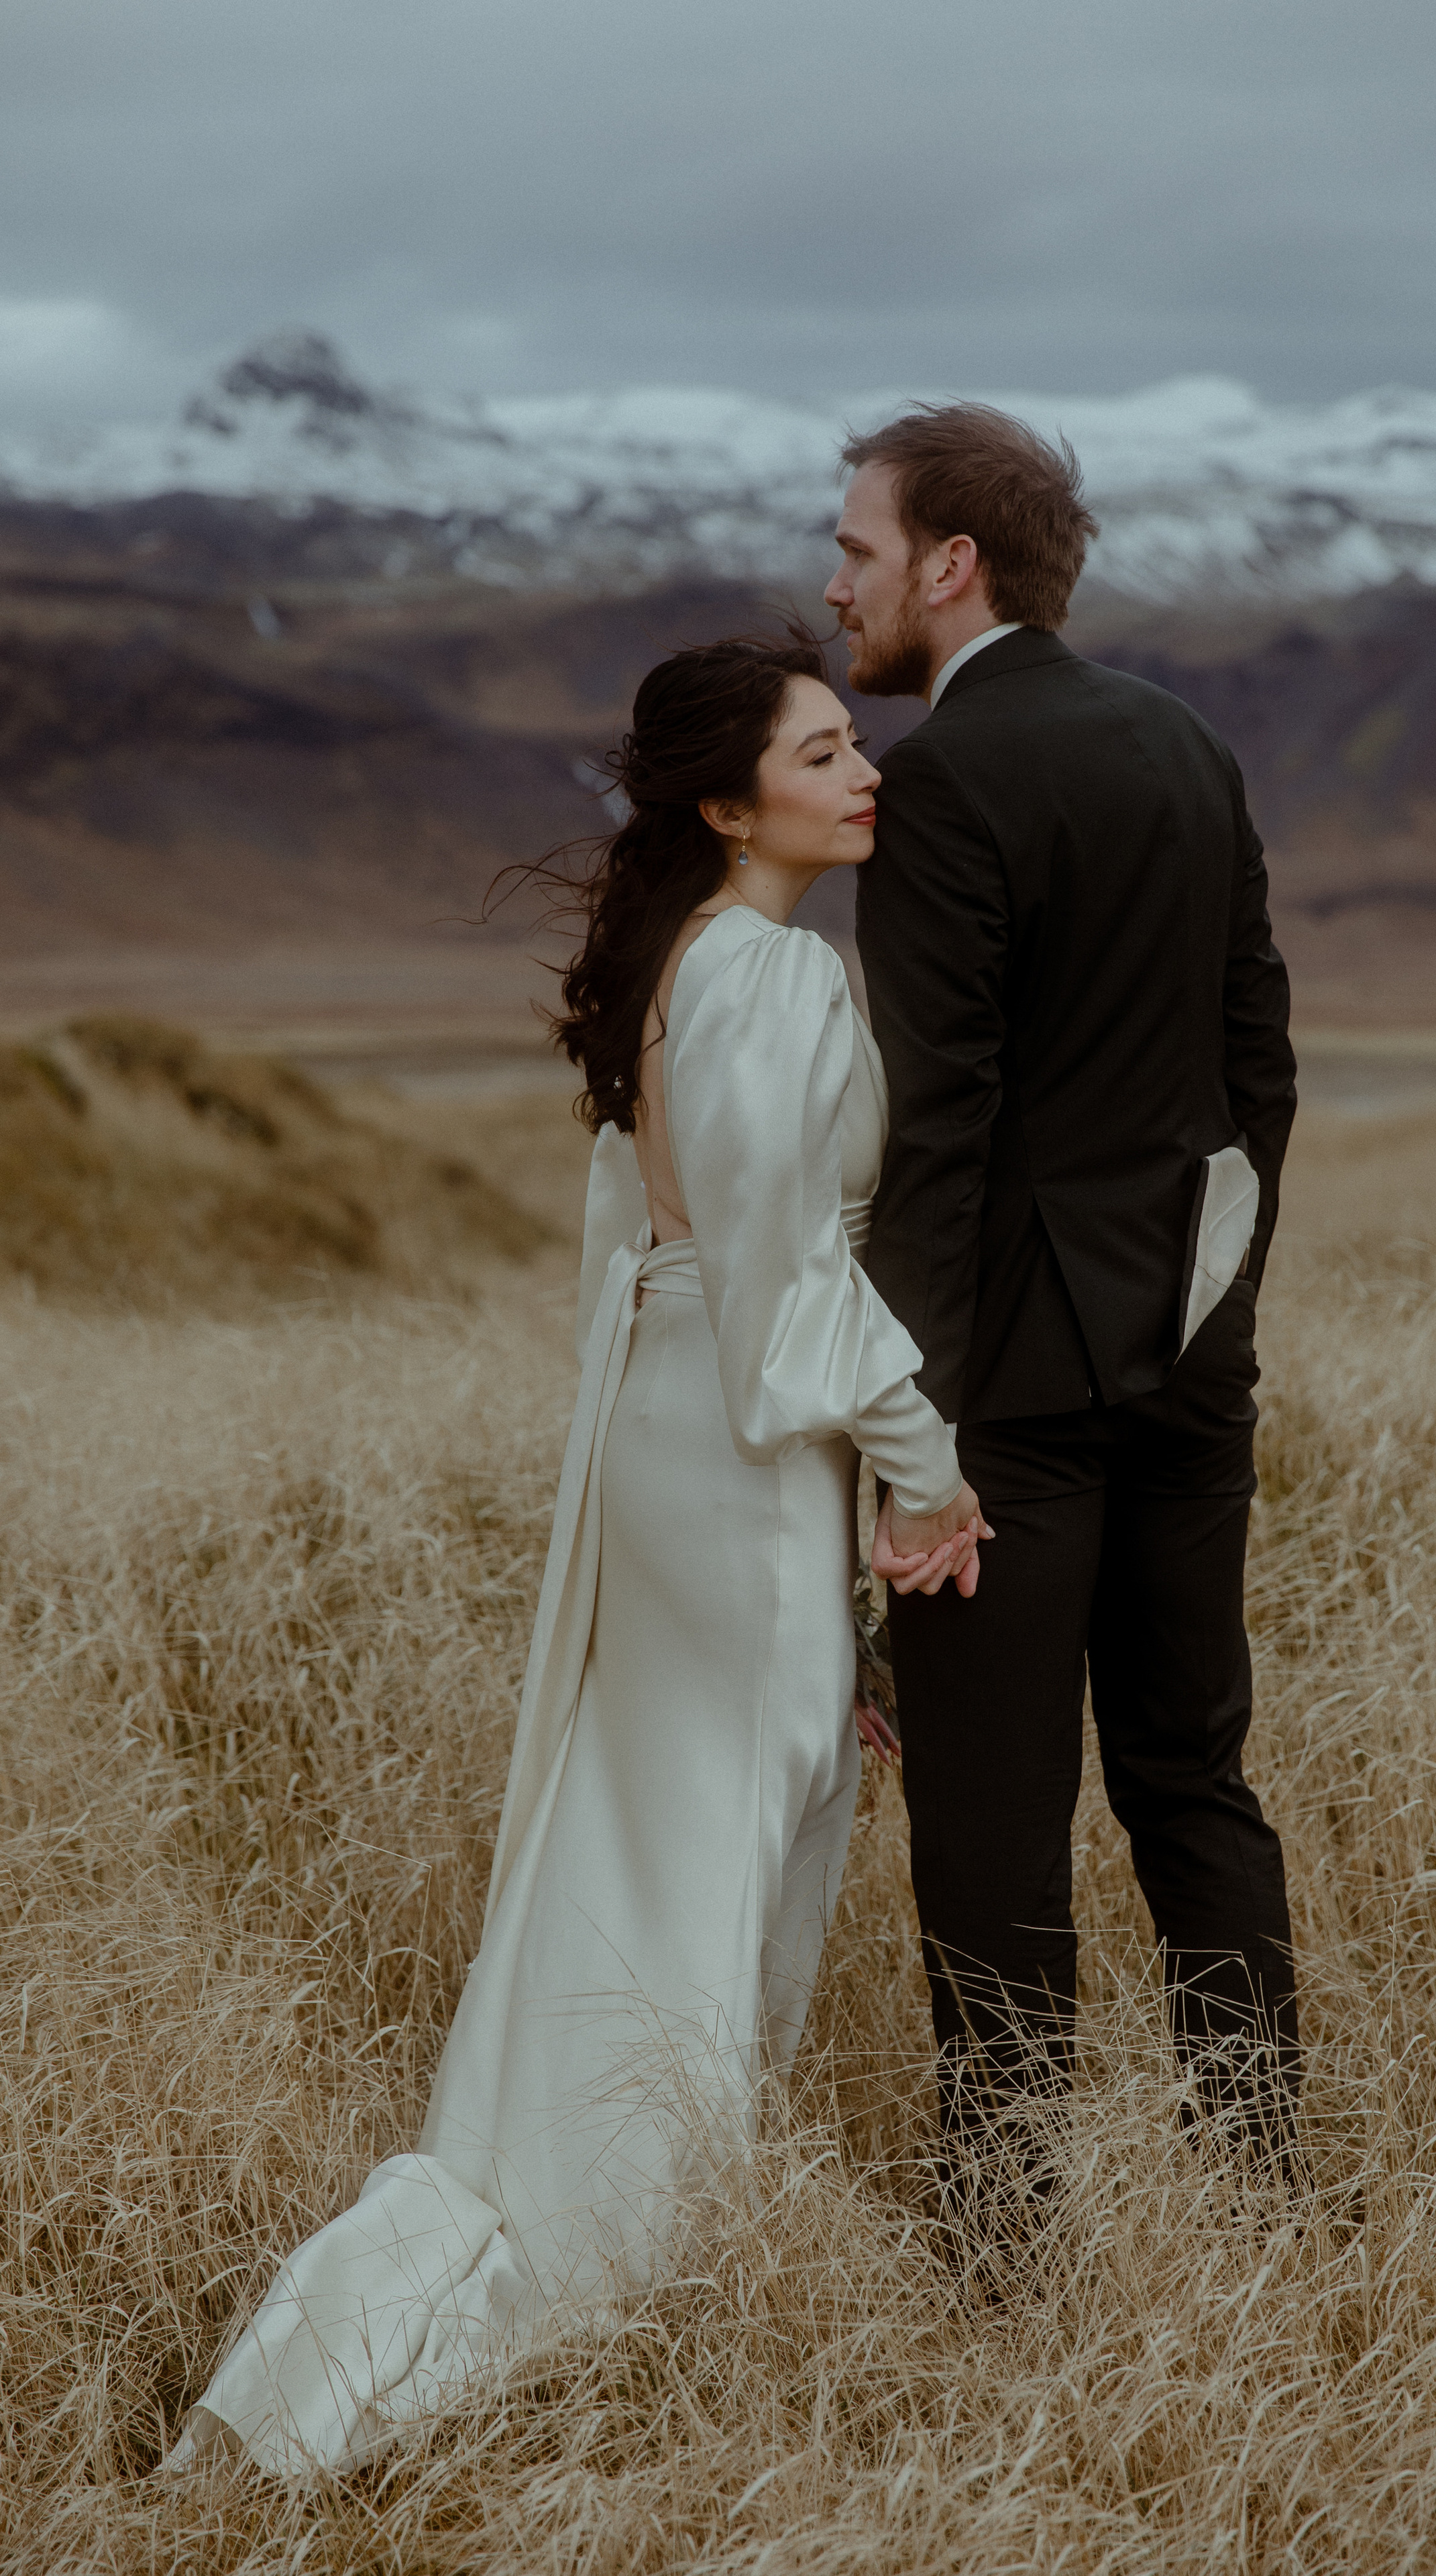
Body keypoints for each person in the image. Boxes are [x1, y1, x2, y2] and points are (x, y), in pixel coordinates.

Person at [169, 629, 987, 2476]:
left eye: (857, 744)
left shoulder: (680, 961)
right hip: (746, 1443)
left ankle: (405, 2318)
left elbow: (652, 1257)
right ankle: (607, 2288)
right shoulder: (771, 972)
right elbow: (796, 1280)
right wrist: (922, 1474)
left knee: (647, 1845)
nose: (867, 773)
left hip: (668, 1433)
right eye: (823, 752)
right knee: (720, 1862)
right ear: (726, 801)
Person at [825, 404, 1300, 2190]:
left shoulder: (943, 781)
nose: (836, 582)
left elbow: (938, 1133)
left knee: (996, 1830)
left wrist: (909, 1436)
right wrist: (1214, 1312)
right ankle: (1256, 2192)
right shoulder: (1189, 746)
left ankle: (1015, 2238)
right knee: (1193, 1781)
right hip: (1191, 1370)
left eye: (857, 550)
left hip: (1006, 1399)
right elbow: (1263, 1074)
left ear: (953, 566)